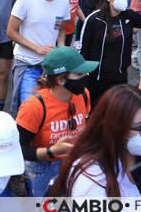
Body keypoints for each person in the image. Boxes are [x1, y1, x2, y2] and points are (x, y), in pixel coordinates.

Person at [16, 47, 97, 196]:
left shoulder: (83, 94)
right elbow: (19, 149)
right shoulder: (34, 107)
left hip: (73, 162)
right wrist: (52, 151)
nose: (86, 76)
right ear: (60, 80)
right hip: (41, 169)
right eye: (80, 74)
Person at [79, 0, 141, 108]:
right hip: (97, 80)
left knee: (116, 116)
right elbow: (83, 52)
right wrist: (82, 80)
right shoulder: (94, 19)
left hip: (120, 79)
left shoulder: (128, 15)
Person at [7, 0, 70, 113]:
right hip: (28, 65)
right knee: (30, 111)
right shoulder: (25, 0)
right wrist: (36, 48)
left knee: (49, 111)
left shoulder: (63, 1)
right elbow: (11, 31)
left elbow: (61, 29)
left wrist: (61, 48)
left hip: (51, 68)